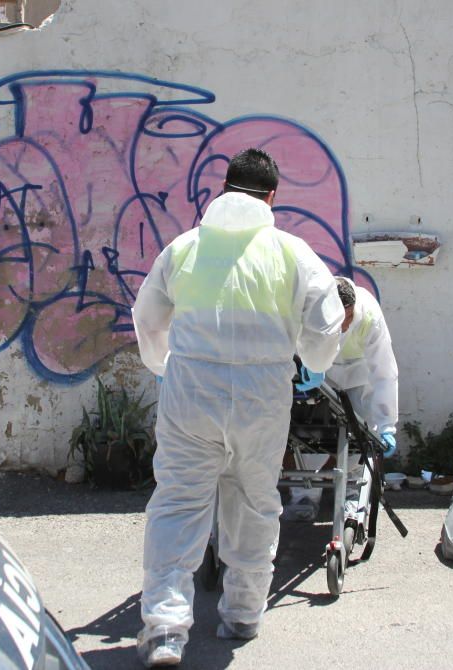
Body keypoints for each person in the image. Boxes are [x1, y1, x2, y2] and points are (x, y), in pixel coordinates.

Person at [131, 148, 344, 667]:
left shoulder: (183, 249)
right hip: (261, 397)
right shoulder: (292, 252)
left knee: (180, 504)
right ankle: (243, 615)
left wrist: (166, 367)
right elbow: (325, 321)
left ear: (223, 189)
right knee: (253, 501)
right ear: (273, 197)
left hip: (191, 393)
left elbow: (148, 317)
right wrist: (313, 364)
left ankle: (164, 629)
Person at [286, 275, 399, 522]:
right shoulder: (313, 307)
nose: (345, 326)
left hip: (359, 376)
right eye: (340, 320)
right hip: (321, 375)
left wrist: (387, 424)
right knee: (311, 437)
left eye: (349, 319)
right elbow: (293, 340)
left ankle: (352, 496)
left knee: (359, 439)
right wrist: (304, 365)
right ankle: (305, 496)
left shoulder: (369, 315)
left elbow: (384, 371)